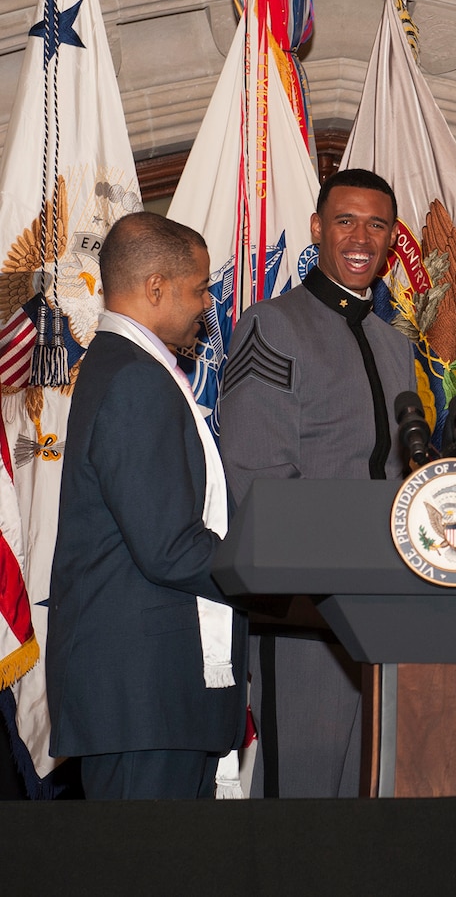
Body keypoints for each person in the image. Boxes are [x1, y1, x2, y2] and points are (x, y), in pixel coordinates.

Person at [219, 168, 415, 797]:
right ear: (316, 229)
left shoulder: (395, 346)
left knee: (368, 801)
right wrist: (322, 583)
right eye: (345, 221)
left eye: (377, 224)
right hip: (305, 615)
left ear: (390, 241)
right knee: (299, 806)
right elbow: (257, 477)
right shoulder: (271, 325)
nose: (361, 236)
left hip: (386, 610)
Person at [46, 212, 247, 799]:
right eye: (199, 288)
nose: (206, 305)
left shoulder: (123, 365)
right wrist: (262, 571)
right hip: (143, 695)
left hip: (146, 697)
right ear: (155, 287)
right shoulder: (136, 378)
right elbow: (167, 547)